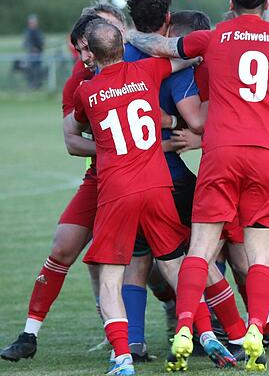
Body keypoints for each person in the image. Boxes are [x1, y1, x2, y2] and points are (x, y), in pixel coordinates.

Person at [127, 0, 269, 371]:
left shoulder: (215, 38)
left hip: (222, 151)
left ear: (230, 5)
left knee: (201, 246)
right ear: (266, 6)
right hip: (268, 152)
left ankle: (183, 327)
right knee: (260, 253)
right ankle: (256, 332)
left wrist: (129, 36)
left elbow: (163, 45)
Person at [0, 5, 128, 363]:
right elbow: (72, 141)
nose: (88, 53)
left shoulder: (142, 66)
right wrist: (114, 149)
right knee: (63, 246)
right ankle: (29, 334)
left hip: (146, 176)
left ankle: (195, 327)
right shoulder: (78, 80)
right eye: (83, 46)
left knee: (162, 264)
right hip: (101, 176)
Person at [67, 20, 195, 375]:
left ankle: (122, 356)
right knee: (174, 263)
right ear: (123, 46)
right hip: (157, 184)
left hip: (117, 190)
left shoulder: (85, 91)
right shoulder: (147, 69)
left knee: (111, 276)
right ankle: (203, 331)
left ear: (89, 54)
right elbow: (183, 57)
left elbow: (78, 126)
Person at [23, 13, 45, 89]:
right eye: (32, 22)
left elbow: (41, 41)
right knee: (32, 70)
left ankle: (37, 84)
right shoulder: (28, 32)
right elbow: (26, 43)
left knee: (38, 70)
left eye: (35, 22)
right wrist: (32, 49)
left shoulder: (38, 31)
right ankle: (32, 84)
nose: (34, 24)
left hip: (39, 55)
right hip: (32, 56)